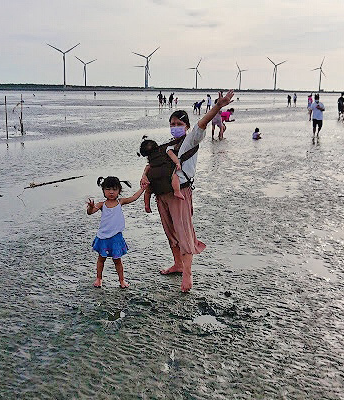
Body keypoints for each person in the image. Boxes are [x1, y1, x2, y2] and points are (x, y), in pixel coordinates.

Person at [140, 90, 235, 292]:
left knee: (183, 233)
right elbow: (152, 163)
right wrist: (144, 176)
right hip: (162, 193)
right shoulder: (167, 145)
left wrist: (218, 106)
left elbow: (203, 123)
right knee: (170, 232)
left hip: (180, 193)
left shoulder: (191, 139)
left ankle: (188, 274)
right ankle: (177, 264)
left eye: (179, 124)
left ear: (187, 126)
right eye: (172, 124)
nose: (175, 128)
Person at [87, 176, 145, 288]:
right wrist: (90, 207)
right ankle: (99, 278)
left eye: (114, 189)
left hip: (116, 237)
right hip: (103, 237)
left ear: (119, 190)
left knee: (117, 260)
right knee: (101, 259)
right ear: (103, 190)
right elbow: (90, 212)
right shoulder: (101, 204)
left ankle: (122, 280)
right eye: (108, 189)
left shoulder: (120, 202)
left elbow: (133, 197)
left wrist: (142, 189)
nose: (111, 192)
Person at [139, 137, 185, 214]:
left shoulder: (150, 159)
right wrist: (177, 163)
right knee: (175, 176)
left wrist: (145, 175)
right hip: (166, 172)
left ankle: (147, 205)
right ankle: (177, 191)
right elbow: (172, 156)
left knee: (148, 191)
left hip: (152, 174)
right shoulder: (164, 150)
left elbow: (148, 166)